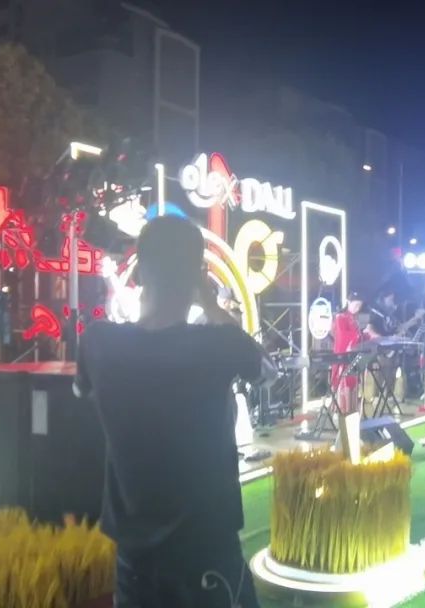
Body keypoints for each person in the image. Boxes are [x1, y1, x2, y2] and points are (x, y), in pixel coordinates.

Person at [74, 216, 269, 608]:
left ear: (140, 271)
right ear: (197, 276)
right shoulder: (218, 344)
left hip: (136, 561)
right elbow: (265, 370)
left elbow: (81, 391)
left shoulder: (98, 343)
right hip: (207, 555)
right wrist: (211, 304)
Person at [332, 293, 365, 414]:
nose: (357, 308)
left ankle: (353, 410)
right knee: (344, 380)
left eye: (359, 306)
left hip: (352, 354)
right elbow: (342, 335)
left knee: (353, 381)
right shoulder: (340, 317)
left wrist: (364, 335)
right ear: (348, 302)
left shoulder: (354, 318)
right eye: (356, 305)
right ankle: (344, 410)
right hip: (342, 354)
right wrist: (358, 335)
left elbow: (358, 335)